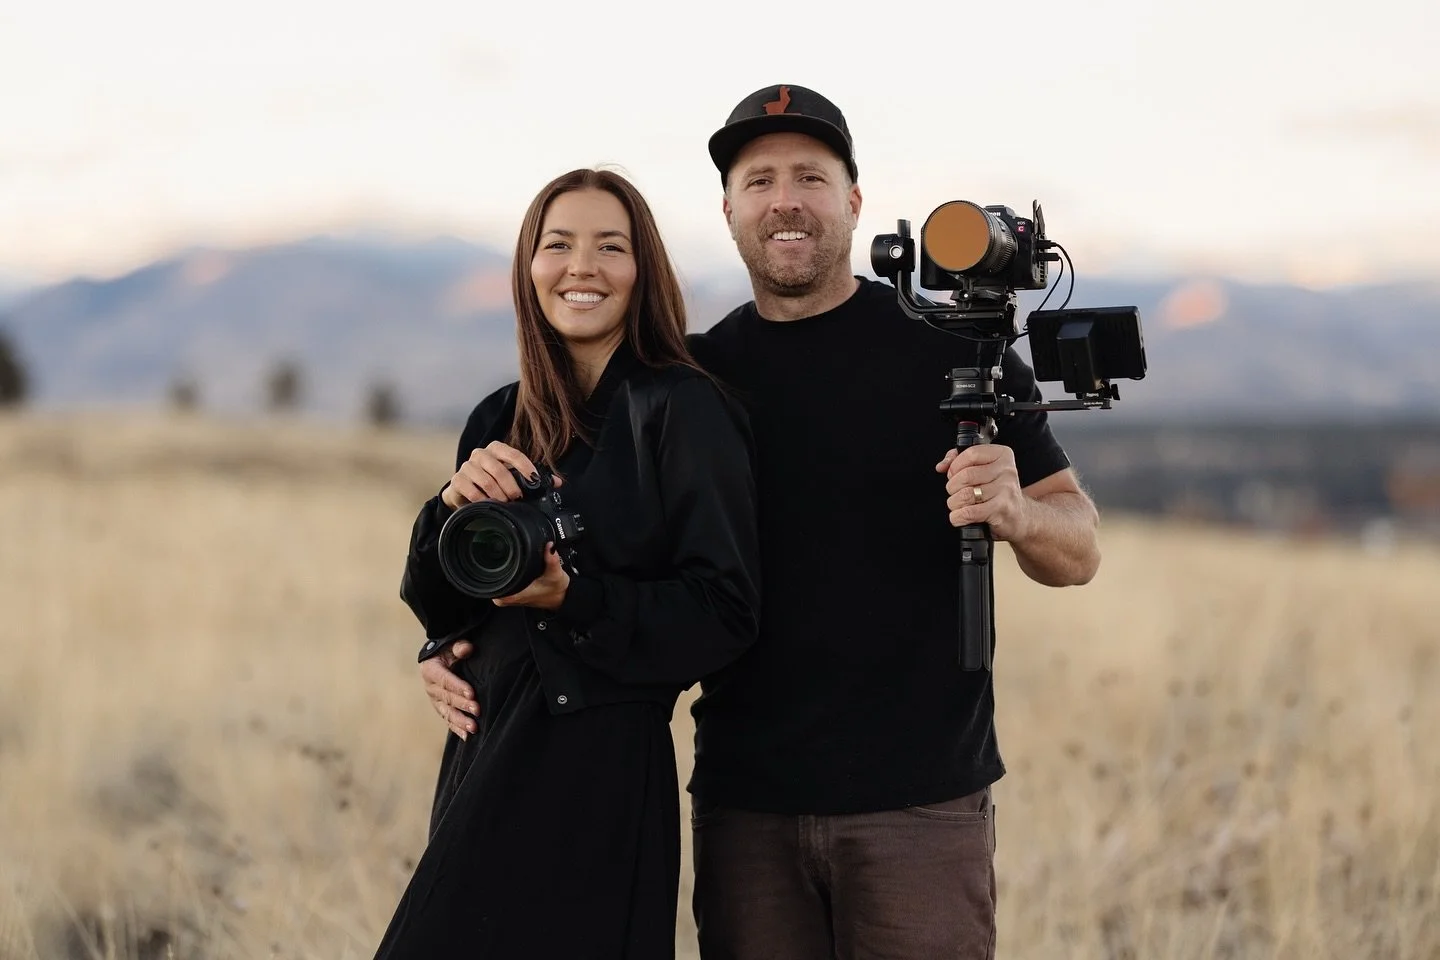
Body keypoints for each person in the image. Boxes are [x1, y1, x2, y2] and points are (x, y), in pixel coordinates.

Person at [420, 86, 1102, 959]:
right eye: (760, 181)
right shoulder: (692, 380)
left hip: (920, 803)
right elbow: (582, 556)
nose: (786, 200)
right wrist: (457, 641)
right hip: (746, 805)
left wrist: (1018, 512)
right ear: (729, 211)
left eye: (810, 178)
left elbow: (1078, 547)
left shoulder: (956, 352)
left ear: (853, 201)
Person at [373, 167, 760, 960]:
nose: (582, 266)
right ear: (529, 267)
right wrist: (447, 522)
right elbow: (448, 598)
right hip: (487, 745)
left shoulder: (682, 408)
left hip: (600, 767)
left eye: (610, 246)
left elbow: (724, 613)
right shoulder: (498, 415)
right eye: (559, 245)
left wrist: (571, 597)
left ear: (643, 271)